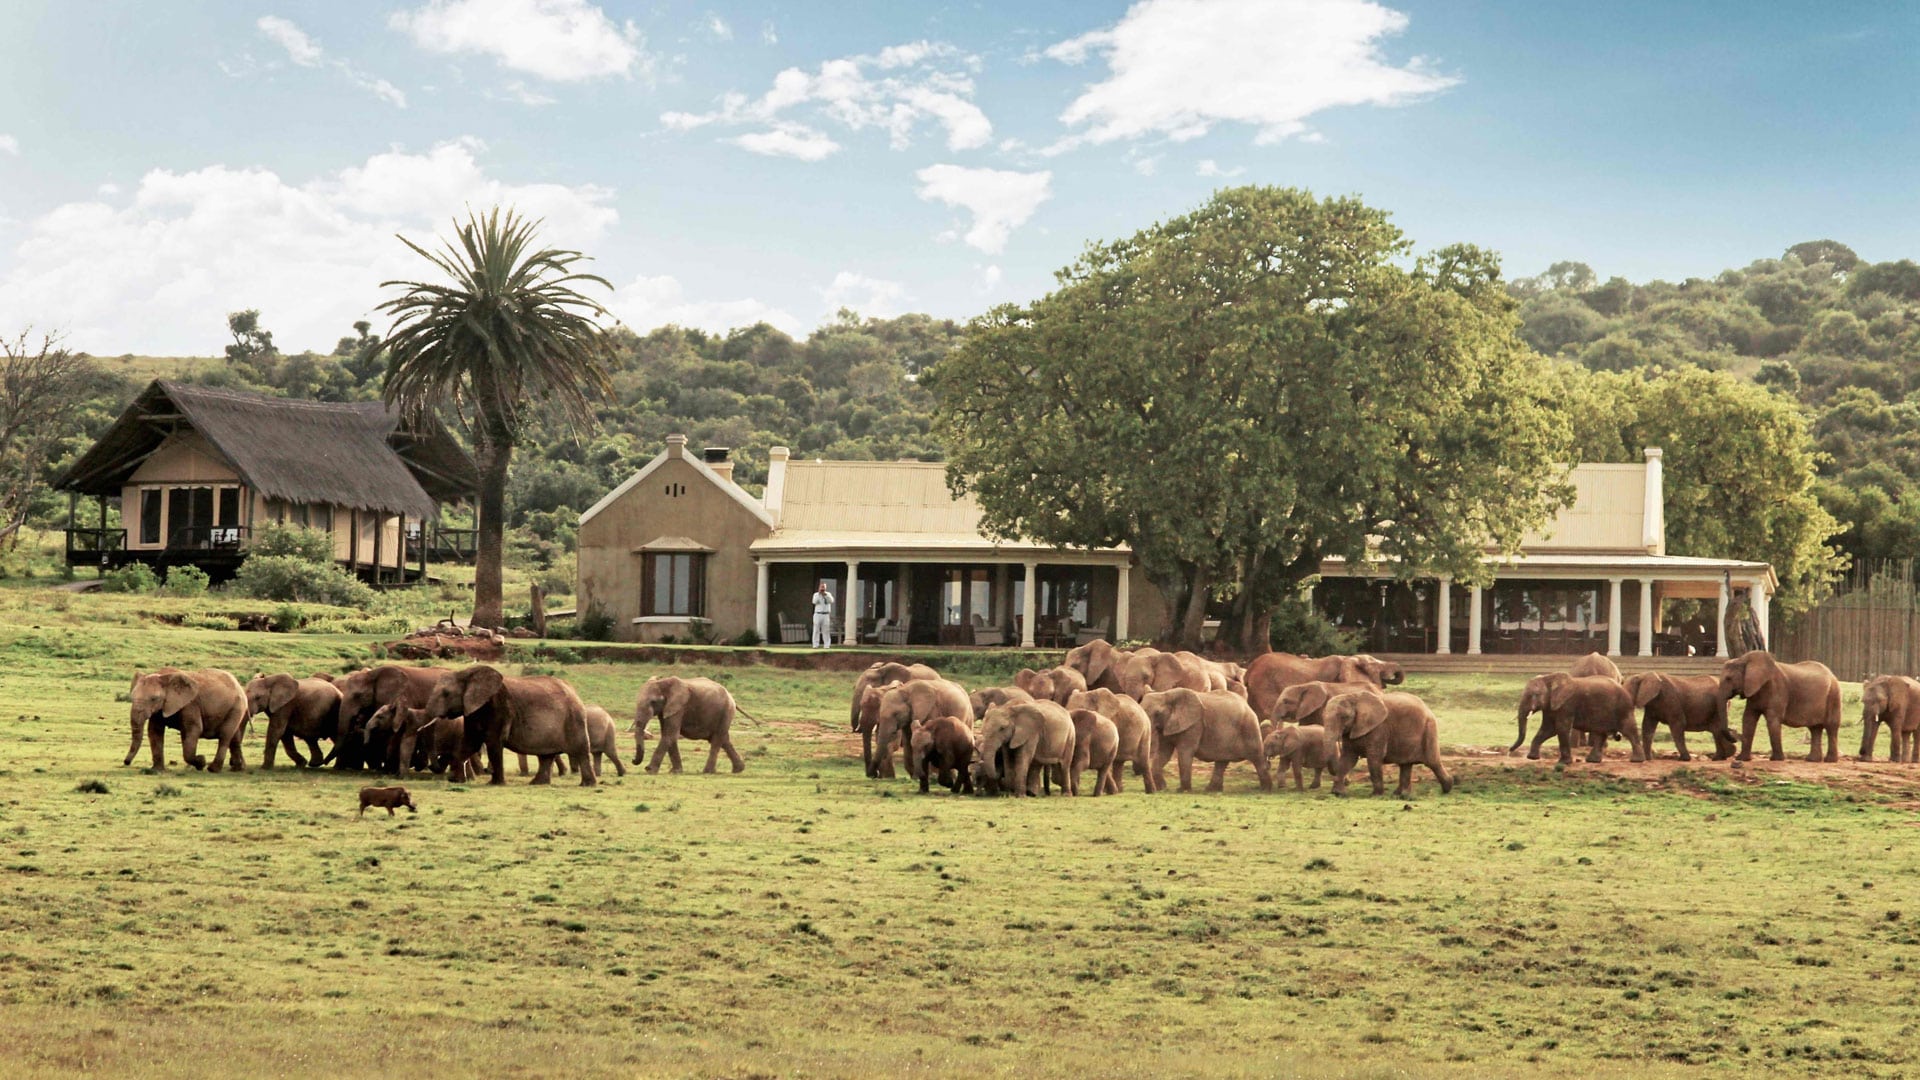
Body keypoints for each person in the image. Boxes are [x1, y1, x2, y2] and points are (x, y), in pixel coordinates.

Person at [810, 581, 835, 648]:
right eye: (821, 587)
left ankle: (827, 645)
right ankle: (815, 645)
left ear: (825, 587)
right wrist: (819, 594)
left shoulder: (828, 594)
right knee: (816, 630)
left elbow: (831, 601)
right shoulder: (815, 594)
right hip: (818, 614)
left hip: (826, 615)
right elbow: (814, 601)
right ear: (819, 587)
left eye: (824, 587)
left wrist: (825, 595)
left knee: (826, 630)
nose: (822, 588)